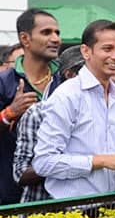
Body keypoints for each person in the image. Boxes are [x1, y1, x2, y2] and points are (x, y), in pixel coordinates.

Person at [33, 20, 115, 199]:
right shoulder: (67, 95)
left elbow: (111, 165)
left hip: (109, 207)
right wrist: (102, 160)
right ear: (86, 51)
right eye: (107, 49)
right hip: (71, 212)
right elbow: (44, 162)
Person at [0, 8, 62, 205]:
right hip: (10, 194)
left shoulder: (65, 83)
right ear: (25, 39)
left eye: (57, 33)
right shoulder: (4, 82)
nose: (56, 39)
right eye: (46, 32)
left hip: (61, 195)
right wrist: (10, 113)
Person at [13, 45, 85, 203]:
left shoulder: (112, 108)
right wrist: (77, 163)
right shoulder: (39, 114)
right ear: (70, 75)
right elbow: (21, 173)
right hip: (43, 215)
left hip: (89, 214)